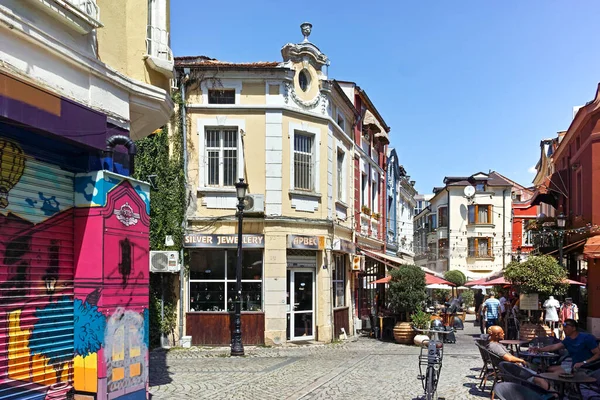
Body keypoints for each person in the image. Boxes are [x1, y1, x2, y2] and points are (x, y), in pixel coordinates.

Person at [486, 326, 549, 390]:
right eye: (502, 333)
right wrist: (521, 360)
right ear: (496, 335)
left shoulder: (496, 344)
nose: (504, 334)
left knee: (540, 368)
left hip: (512, 369)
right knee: (541, 377)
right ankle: (554, 395)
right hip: (513, 372)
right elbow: (508, 358)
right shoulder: (494, 346)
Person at [535, 319, 600, 374]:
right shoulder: (568, 339)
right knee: (547, 369)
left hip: (586, 367)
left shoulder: (586, 338)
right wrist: (539, 349)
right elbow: (554, 347)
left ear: (574, 328)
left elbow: (598, 354)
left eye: (566, 327)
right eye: (563, 326)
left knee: (555, 373)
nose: (564, 329)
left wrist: (583, 362)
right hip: (574, 366)